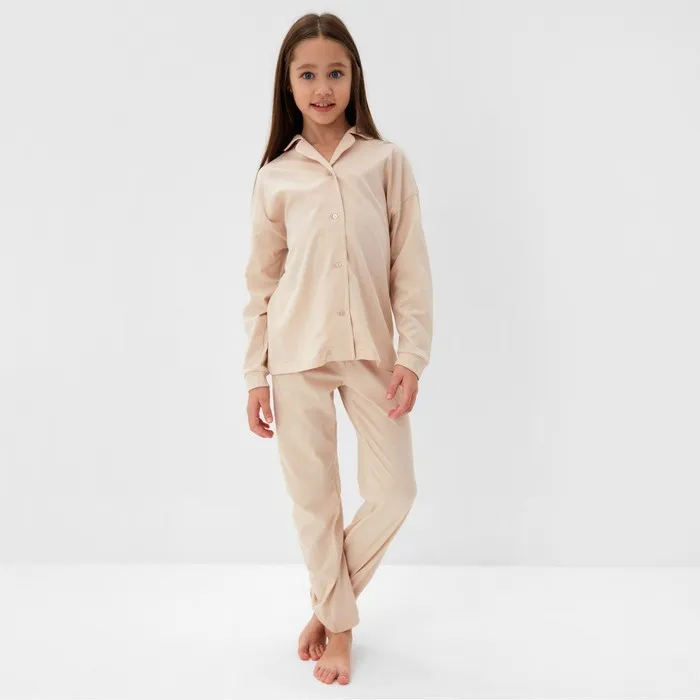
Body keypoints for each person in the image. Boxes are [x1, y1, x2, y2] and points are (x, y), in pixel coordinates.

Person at [242, 11, 433, 686]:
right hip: (295, 353)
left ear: (354, 79)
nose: (322, 87)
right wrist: (255, 374)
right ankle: (341, 630)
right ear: (288, 85)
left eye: (335, 72)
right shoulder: (275, 177)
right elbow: (261, 283)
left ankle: (326, 607)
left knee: (395, 491)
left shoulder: (386, 163)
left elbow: (410, 268)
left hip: (373, 353)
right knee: (314, 501)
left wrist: (412, 356)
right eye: (307, 74)